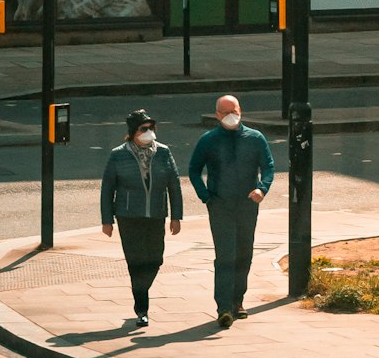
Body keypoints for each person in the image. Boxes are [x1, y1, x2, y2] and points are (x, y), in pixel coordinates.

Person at [187, 93, 274, 331]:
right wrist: (206, 197)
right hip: (221, 206)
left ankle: (238, 301)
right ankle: (223, 307)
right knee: (226, 255)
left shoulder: (255, 138)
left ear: (241, 111)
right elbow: (194, 170)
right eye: (224, 112)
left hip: (247, 205)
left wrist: (261, 189)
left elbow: (268, 167)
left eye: (233, 111)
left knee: (244, 253)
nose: (230, 116)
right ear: (217, 115)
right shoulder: (209, 140)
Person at [100, 108, 183, 327]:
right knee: (136, 263)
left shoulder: (163, 152)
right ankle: (142, 309)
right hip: (128, 216)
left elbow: (174, 184)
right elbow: (107, 187)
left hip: (156, 214)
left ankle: (141, 289)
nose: (149, 132)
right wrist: (106, 220)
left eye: (151, 128)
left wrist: (177, 216)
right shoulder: (118, 154)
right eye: (144, 129)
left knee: (156, 259)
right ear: (133, 132)